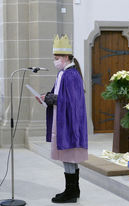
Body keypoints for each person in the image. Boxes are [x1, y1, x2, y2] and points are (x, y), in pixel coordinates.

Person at [37, 34, 88, 203]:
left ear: (66, 57)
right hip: (63, 120)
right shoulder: (63, 73)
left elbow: (72, 102)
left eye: (57, 58)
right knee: (68, 156)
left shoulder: (70, 75)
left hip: (69, 123)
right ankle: (73, 190)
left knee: (68, 155)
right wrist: (46, 97)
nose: (55, 61)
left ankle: (71, 192)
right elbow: (60, 95)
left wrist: (50, 99)